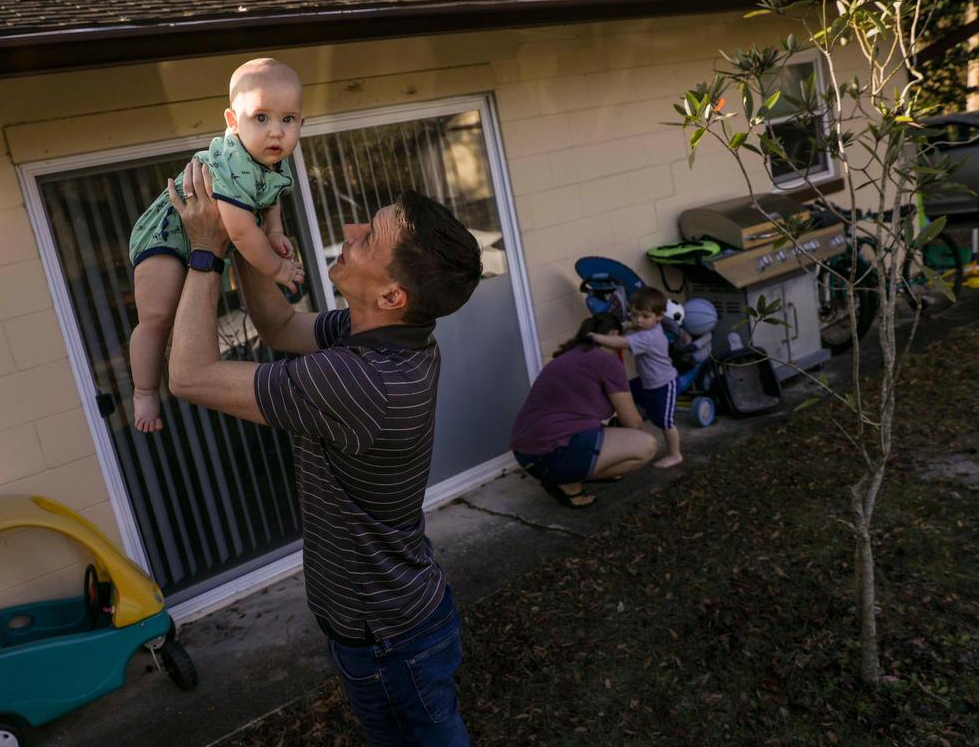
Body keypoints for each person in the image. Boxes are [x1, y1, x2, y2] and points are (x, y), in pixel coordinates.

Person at [166, 158, 482, 746]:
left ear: (392, 293)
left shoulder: (360, 383)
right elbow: (281, 325)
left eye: (371, 236)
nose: (352, 231)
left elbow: (188, 376)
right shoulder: (392, 336)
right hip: (397, 620)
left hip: (390, 637)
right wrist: (249, 233)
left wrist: (205, 252)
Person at [127, 58, 306, 432]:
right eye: (261, 117)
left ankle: (166, 365)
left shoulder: (273, 161)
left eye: (288, 120)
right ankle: (144, 391)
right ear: (232, 122)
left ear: (301, 124)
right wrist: (278, 268)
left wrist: (273, 232)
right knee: (156, 318)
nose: (276, 132)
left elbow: (273, 198)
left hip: (198, 239)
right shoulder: (234, 163)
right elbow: (240, 233)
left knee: (182, 320)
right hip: (164, 235)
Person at [510, 313, 658, 508]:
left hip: (526, 453)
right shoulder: (607, 361)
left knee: (609, 433)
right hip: (553, 454)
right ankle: (568, 481)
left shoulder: (568, 357)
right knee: (646, 446)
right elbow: (633, 422)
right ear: (614, 335)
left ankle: (573, 471)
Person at [589, 286, 682, 468]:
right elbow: (630, 326)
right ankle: (628, 426)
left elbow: (622, 342)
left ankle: (675, 454)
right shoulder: (648, 326)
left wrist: (597, 337)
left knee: (665, 422)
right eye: (634, 314)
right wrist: (625, 324)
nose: (638, 321)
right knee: (625, 393)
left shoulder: (649, 336)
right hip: (647, 382)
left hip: (664, 384)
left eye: (645, 316)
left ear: (659, 316)